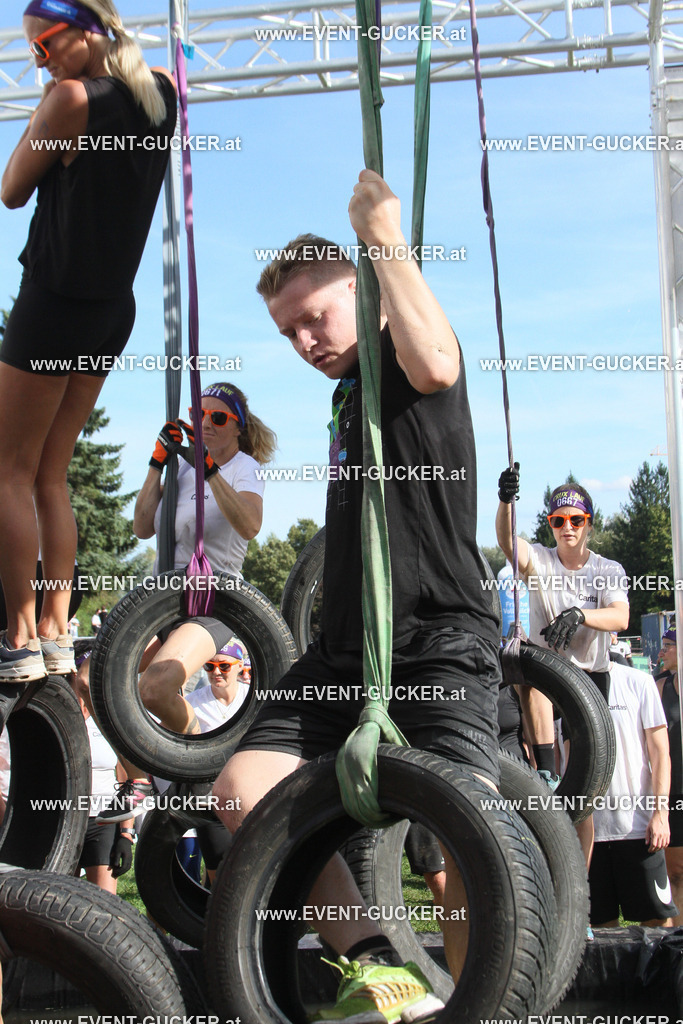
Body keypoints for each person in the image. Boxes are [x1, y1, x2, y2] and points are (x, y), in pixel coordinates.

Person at [213, 170, 502, 1023]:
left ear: (363, 289)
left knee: (463, 850)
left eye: (316, 315)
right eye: (287, 330)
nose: (304, 339)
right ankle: (384, 971)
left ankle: (486, 1004)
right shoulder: (346, 395)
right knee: (241, 789)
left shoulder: (404, 358)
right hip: (344, 653)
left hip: (438, 638)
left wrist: (381, 235)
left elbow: (437, 357)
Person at [0, 0, 177, 683]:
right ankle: (54, 629)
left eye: (41, 47)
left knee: (10, 469)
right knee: (50, 471)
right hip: (111, 310)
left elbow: (12, 190)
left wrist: (46, 100)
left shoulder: (68, 99)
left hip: (54, 302)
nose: (38, 63)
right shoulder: (160, 90)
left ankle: (16, 636)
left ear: (82, 32)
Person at [96, 384, 275, 823]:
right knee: (93, 684)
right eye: (201, 418)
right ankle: (138, 780)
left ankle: (197, 768)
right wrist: (158, 463)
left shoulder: (243, 467)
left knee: (155, 686)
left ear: (238, 428)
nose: (207, 426)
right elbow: (141, 528)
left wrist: (209, 468)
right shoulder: (179, 471)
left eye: (219, 419)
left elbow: (250, 525)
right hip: (165, 599)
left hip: (215, 599)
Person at [496, 472, 629, 867]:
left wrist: (581, 615)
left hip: (589, 678)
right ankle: (547, 770)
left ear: (589, 522)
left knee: (582, 799)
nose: (567, 528)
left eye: (576, 520)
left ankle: (578, 885)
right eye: (558, 521)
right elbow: (508, 543)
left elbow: (621, 616)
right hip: (546, 672)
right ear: (549, 525)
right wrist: (505, 503)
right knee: (532, 677)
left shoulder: (608, 568)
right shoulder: (540, 559)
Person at [588, 659, 676, 927]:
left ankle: (660, 972)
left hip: (637, 829)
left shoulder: (638, 681)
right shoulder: (561, 684)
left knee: (657, 923)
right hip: (587, 833)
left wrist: (660, 813)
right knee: (599, 928)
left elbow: (660, 753)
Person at [69, 641, 136, 893]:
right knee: (61, 904)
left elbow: (129, 779)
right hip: (63, 818)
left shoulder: (109, 718)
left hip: (102, 822)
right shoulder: (58, 713)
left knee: (105, 906)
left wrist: (126, 834)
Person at [656, 627, 683, 924]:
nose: (661, 652)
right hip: (675, 791)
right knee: (675, 871)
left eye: (668, 646)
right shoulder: (660, 686)